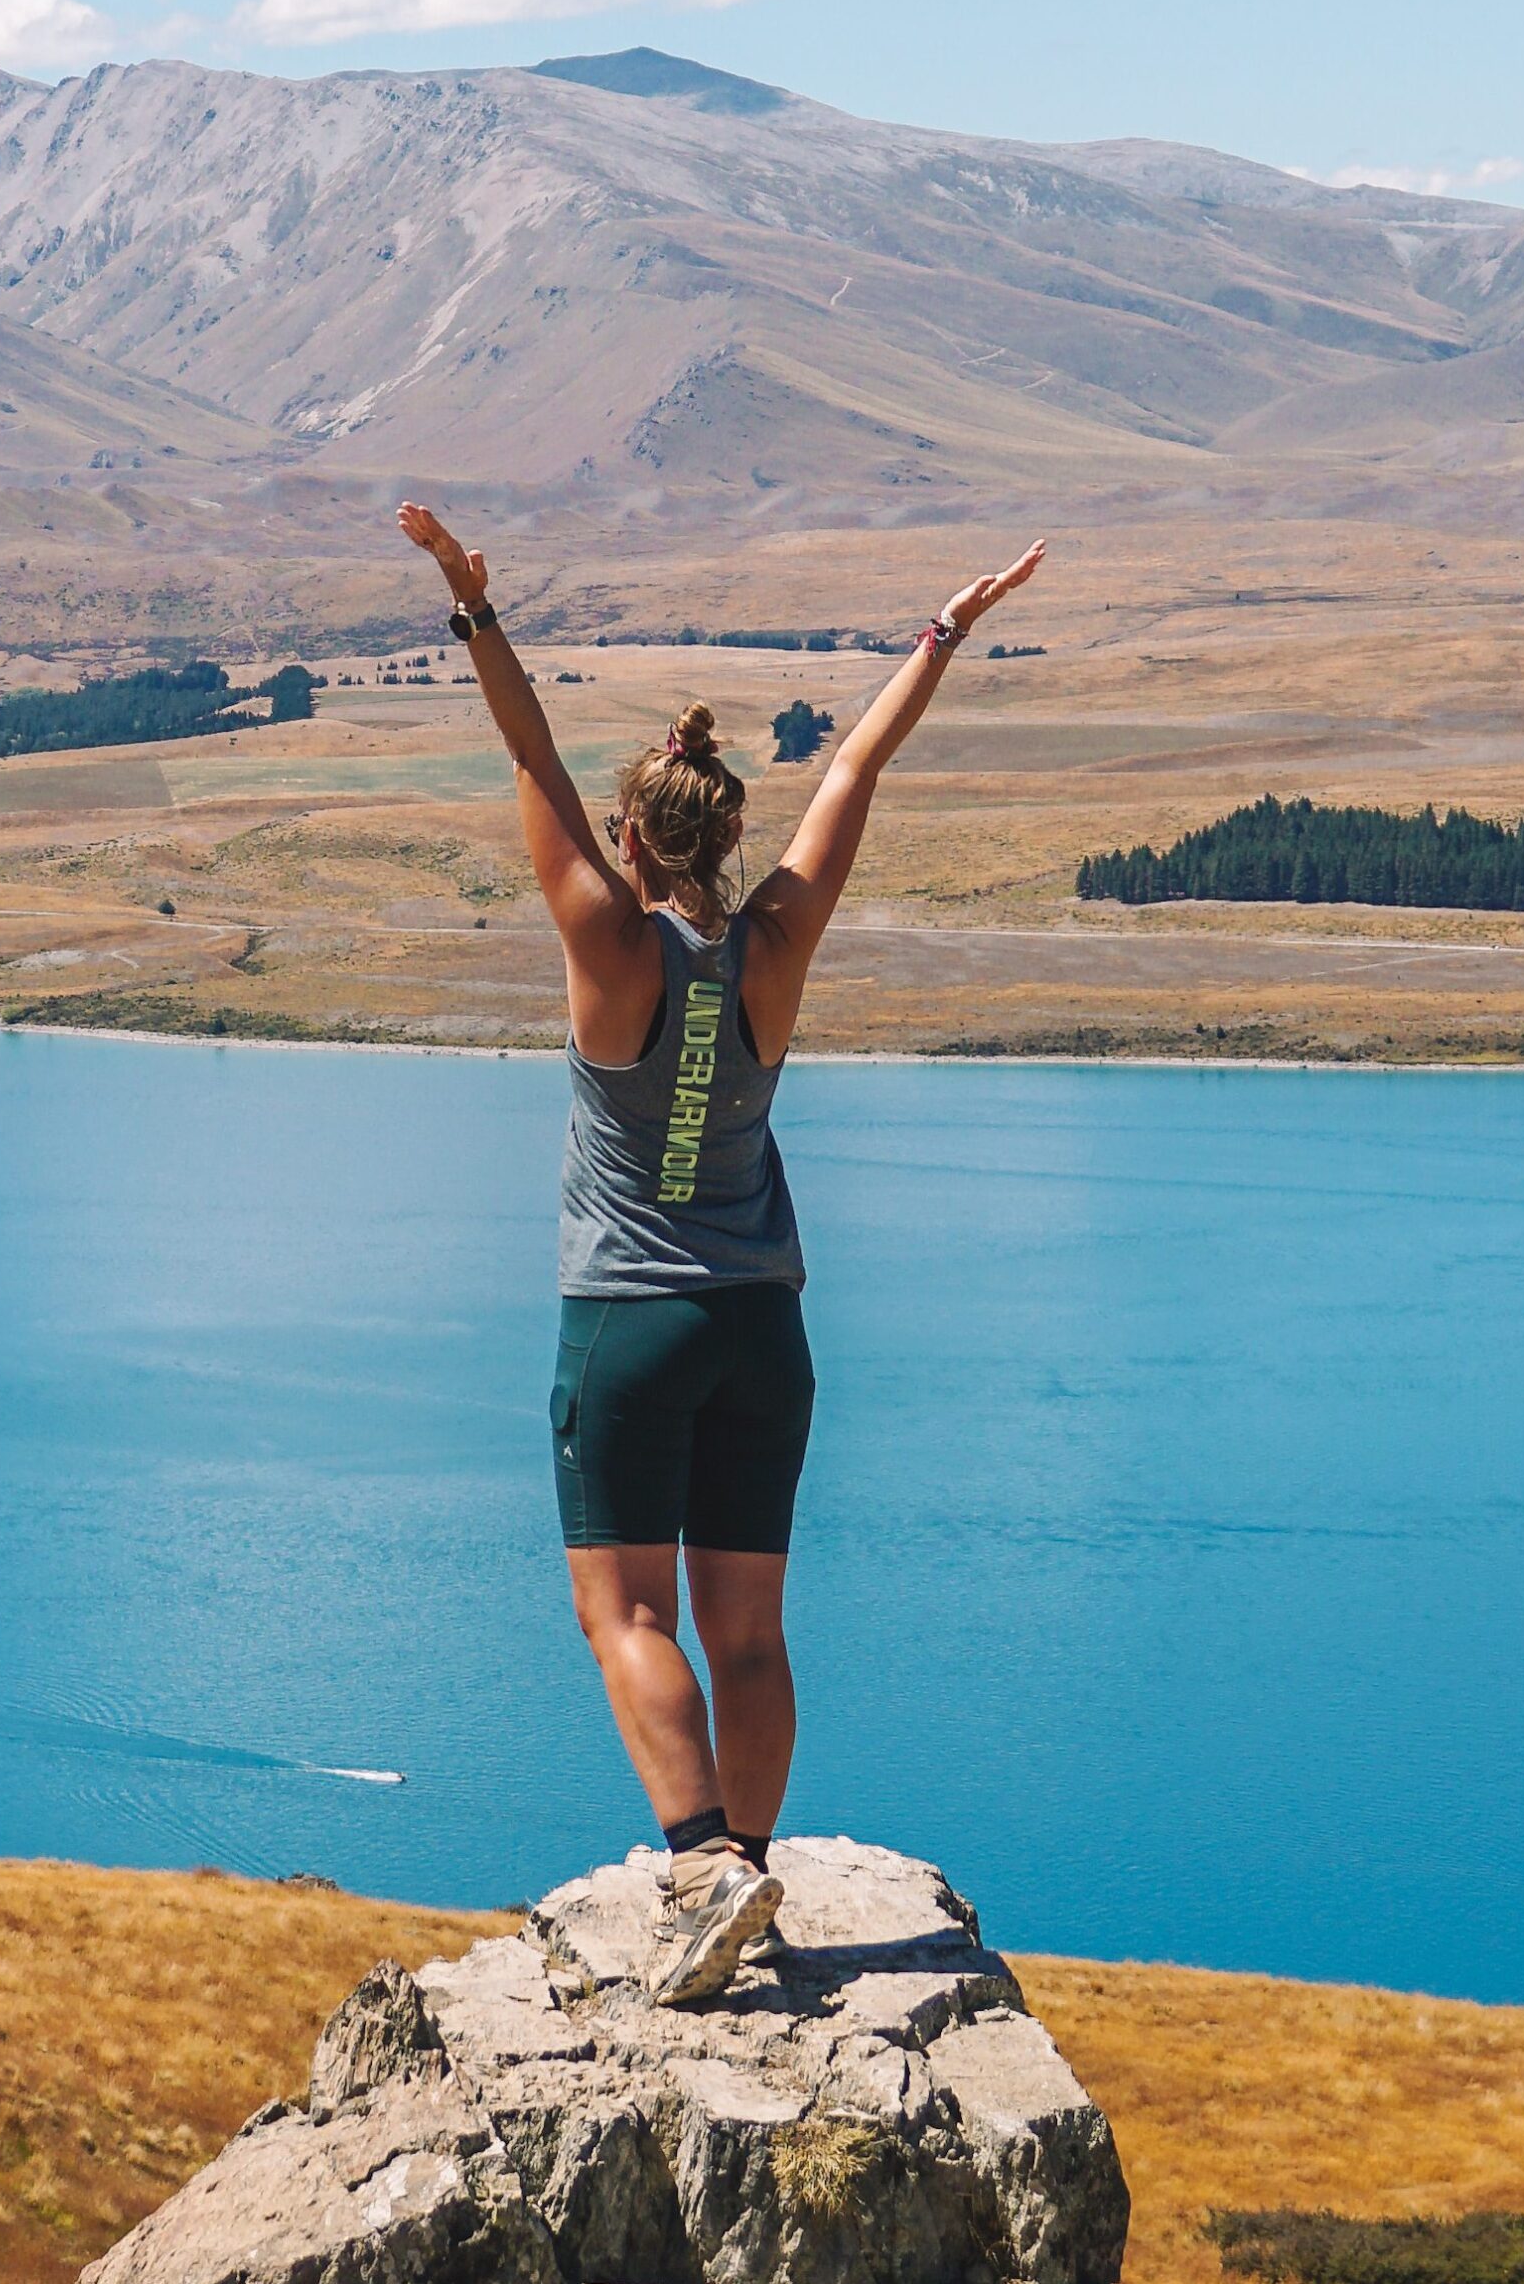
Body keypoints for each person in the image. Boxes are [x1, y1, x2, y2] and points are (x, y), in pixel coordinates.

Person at [399, 502, 1047, 2001]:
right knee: (745, 1626)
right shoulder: (776, 942)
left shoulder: (604, 944)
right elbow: (861, 766)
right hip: (764, 1332)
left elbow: (530, 763)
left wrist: (475, 608)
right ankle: (746, 1875)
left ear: (631, 841)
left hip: (629, 1329)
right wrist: (947, 632)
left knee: (620, 1610)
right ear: (731, 837)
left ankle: (698, 1865)